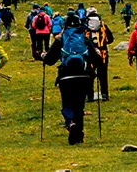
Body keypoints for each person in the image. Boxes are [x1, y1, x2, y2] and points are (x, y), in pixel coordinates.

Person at [42, 12, 102, 145]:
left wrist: (43, 56)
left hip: (66, 77)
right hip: (84, 76)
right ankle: (79, 136)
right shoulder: (84, 39)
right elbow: (96, 60)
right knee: (79, 106)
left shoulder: (61, 39)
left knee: (67, 104)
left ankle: (70, 123)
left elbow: (50, 60)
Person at [85, 8, 114, 102]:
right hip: (103, 54)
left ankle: (90, 96)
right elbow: (111, 39)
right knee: (103, 75)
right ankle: (104, 95)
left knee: (89, 75)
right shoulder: (103, 26)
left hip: (89, 54)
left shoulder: (85, 26)